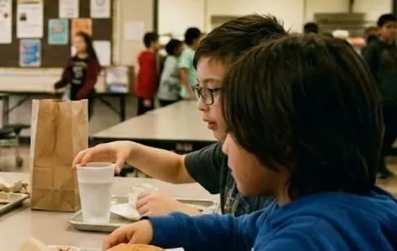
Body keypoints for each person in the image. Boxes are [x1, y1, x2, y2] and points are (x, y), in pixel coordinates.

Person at [103, 34, 397, 251]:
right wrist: (162, 230)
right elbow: (239, 232)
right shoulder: (326, 209)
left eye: (236, 133)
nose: (225, 147)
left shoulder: (309, 244)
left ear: (283, 142)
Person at [74, 15, 287, 217]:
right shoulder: (231, 148)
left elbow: (252, 242)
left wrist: (185, 215)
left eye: (211, 89)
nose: (201, 104)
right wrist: (130, 149)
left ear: (253, 91)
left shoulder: (277, 176)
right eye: (200, 89)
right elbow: (178, 167)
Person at [363, 13, 397, 179]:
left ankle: (380, 162)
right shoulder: (373, 49)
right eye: (388, 27)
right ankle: (376, 164)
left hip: (394, 99)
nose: (392, 30)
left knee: (392, 132)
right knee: (381, 133)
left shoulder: (394, 50)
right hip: (380, 99)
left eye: (395, 27)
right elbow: (365, 72)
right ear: (379, 30)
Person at [54, 32, 101, 118]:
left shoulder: (92, 62)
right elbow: (66, 77)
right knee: (68, 123)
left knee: (80, 125)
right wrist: (57, 86)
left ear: (87, 44)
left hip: (85, 96)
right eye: (75, 42)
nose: (77, 45)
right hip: (72, 93)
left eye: (80, 42)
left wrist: (80, 96)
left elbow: (91, 80)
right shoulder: (72, 60)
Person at [134, 32, 160, 115]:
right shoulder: (149, 58)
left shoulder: (147, 56)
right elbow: (147, 78)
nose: (160, 44)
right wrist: (147, 98)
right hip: (146, 94)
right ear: (152, 43)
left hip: (145, 93)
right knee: (145, 120)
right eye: (158, 42)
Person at [157, 39, 183, 108]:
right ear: (175, 49)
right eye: (181, 47)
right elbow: (165, 78)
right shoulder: (172, 61)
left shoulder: (172, 59)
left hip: (169, 95)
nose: (182, 49)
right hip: (167, 97)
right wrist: (179, 83)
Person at [179, 27, 202, 100]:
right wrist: (190, 93)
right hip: (189, 95)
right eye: (200, 38)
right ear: (195, 40)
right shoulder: (187, 53)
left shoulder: (194, 52)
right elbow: (183, 74)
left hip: (196, 92)